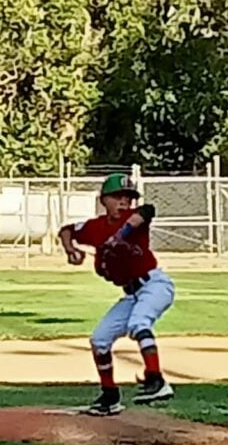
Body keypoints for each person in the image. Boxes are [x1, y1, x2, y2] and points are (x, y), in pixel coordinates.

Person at [59, 172, 175, 415]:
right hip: (131, 294)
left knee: (139, 323)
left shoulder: (135, 220)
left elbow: (147, 211)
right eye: (117, 196)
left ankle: (156, 379)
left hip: (155, 285)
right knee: (99, 340)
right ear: (103, 200)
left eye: (128, 197)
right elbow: (67, 230)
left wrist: (119, 236)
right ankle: (110, 396)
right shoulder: (96, 227)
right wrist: (71, 250)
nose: (124, 201)